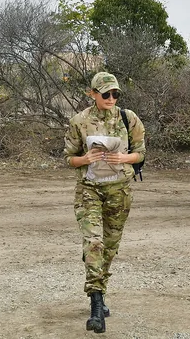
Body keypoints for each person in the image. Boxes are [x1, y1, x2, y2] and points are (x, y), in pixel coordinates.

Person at [63, 71, 146, 334]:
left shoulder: (128, 118)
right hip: (89, 190)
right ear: (92, 94)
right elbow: (68, 158)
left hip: (119, 192)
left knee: (108, 246)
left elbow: (141, 154)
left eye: (115, 94)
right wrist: (85, 159)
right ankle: (96, 304)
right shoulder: (80, 121)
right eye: (106, 94)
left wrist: (125, 158)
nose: (111, 98)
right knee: (94, 242)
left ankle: (101, 288)